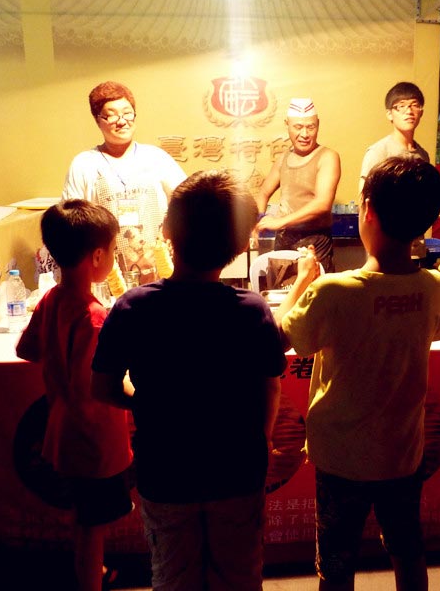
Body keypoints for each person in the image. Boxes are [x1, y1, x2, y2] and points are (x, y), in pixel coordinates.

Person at [91, 170, 286, 591]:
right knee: (239, 576)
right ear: (238, 247)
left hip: (166, 471)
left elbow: (103, 387)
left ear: (167, 231)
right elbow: (271, 385)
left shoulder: (133, 307)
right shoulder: (252, 311)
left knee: (174, 575)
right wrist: (263, 439)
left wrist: (146, 401)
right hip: (238, 470)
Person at [275, 156, 440, 591]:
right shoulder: (434, 287)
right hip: (402, 452)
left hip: (340, 456)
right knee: (407, 548)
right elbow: (438, 331)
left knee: (336, 561)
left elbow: (282, 335)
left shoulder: (332, 291)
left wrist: (301, 282)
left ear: (367, 210)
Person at [16, 199, 132, 591]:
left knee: (84, 519)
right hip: (95, 441)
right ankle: (90, 580)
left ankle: (93, 571)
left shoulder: (51, 299)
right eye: (114, 250)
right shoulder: (95, 316)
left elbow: (25, 350)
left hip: (61, 433)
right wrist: (139, 390)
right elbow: (98, 388)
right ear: (98, 256)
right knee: (92, 527)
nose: (114, 257)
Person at [63, 81, 187, 284]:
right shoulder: (84, 164)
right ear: (98, 120)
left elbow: (188, 199)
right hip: (108, 278)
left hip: (162, 274)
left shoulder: (156, 157)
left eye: (127, 113)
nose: (121, 121)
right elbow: (71, 220)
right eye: (111, 115)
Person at [256, 98, 341, 272]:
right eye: (298, 127)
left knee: (314, 297)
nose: (304, 134)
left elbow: (322, 204)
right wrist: (257, 222)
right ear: (287, 125)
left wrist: (279, 222)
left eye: (310, 127)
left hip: (315, 243)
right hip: (283, 242)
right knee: (283, 297)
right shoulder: (283, 158)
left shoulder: (328, 157)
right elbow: (263, 192)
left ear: (318, 125)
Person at [359, 81, 440, 220]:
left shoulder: (422, 155)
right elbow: (364, 201)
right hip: (387, 238)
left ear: (421, 112)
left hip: (416, 239)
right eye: (401, 106)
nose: (409, 111)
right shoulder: (379, 152)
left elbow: (419, 201)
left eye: (414, 105)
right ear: (389, 114)